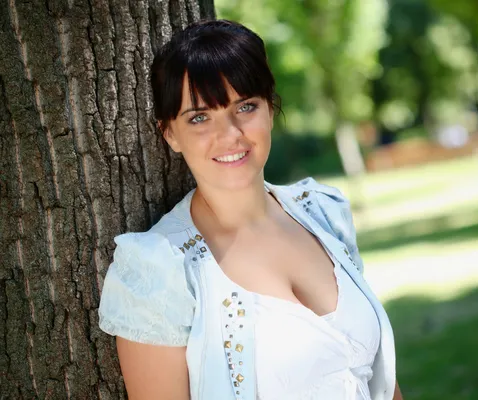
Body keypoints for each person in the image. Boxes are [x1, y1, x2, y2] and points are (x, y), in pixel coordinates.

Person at [98, 19, 403, 400]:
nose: (230, 135)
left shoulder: (323, 214)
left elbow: (381, 382)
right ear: (170, 133)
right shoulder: (157, 270)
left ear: (270, 109)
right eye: (199, 117)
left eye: (245, 107)